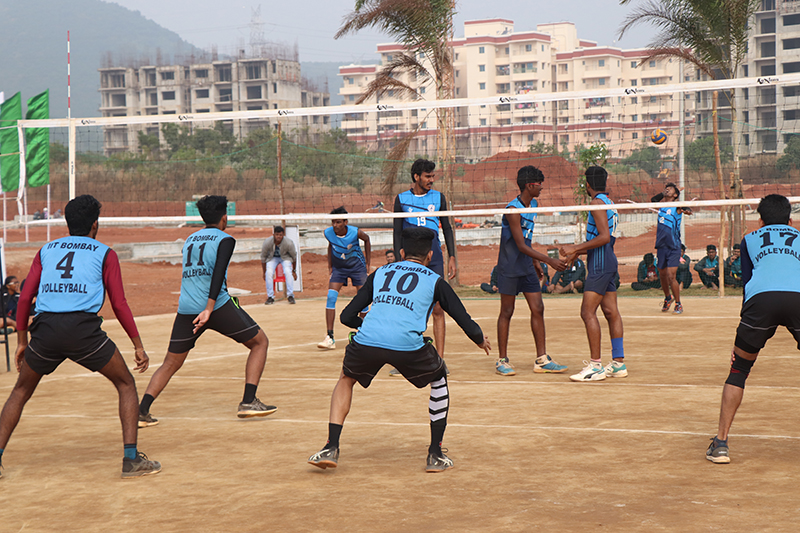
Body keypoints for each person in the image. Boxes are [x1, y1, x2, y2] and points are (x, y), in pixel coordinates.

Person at [0, 195, 161, 479]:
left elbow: (24, 299)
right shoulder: (105, 253)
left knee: (20, 391)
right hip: (82, 331)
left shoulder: (46, 250)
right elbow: (119, 303)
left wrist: (22, 342)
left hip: (45, 329)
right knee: (125, 383)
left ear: (67, 222)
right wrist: (138, 346)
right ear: (95, 224)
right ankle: (130, 459)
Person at [307, 227, 490, 472]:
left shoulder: (381, 272)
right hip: (407, 344)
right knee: (438, 379)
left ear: (401, 253)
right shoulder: (435, 280)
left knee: (346, 378)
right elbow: (462, 317)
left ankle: (331, 447)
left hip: (368, 340)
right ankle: (435, 454)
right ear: (430, 256)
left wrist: (368, 324)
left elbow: (346, 316)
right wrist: (479, 339)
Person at [138, 195, 276, 427]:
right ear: (224, 217)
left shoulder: (189, 239)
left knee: (170, 363)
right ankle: (248, 401)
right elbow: (217, 274)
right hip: (216, 306)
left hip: (186, 309)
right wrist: (209, 308)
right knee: (260, 342)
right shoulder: (226, 239)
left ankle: (142, 411)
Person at [706, 194, 800, 464]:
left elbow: (747, 284)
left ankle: (721, 444)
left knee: (739, 370)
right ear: (790, 221)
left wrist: (746, 326)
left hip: (761, 300)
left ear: (760, 221)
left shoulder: (749, 239)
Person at [494, 166, 568, 376]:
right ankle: (502, 360)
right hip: (509, 266)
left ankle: (542, 359)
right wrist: (548, 260)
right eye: (539, 184)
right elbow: (520, 244)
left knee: (538, 308)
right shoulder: (512, 210)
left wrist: (535, 262)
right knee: (507, 311)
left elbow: (527, 240)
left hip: (526, 265)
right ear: (529, 185)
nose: (542, 187)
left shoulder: (533, 204)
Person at [560, 166, 627, 382]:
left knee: (587, 312)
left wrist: (575, 247)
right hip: (608, 260)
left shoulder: (597, 203)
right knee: (611, 311)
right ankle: (618, 363)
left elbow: (604, 237)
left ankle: (596, 366)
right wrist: (577, 253)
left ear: (587, 184)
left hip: (600, 264)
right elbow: (603, 239)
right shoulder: (609, 202)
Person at [394, 159, 457, 360]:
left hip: (434, 257)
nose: (431, 180)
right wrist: (397, 259)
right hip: (410, 259)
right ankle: (404, 356)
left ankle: (439, 359)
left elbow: (447, 228)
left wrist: (452, 256)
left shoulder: (438, 198)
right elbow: (396, 232)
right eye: (427, 176)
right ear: (416, 177)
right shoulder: (401, 199)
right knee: (407, 306)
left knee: (438, 307)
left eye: (432, 176)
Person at [318, 207, 371, 350]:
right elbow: (331, 246)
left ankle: (363, 334)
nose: (335, 225)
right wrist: (330, 265)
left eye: (338, 222)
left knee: (363, 299)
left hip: (357, 267)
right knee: (331, 297)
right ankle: (330, 337)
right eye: (333, 222)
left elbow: (367, 239)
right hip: (339, 268)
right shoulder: (328, 233)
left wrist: (368, 263)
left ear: (345, 222)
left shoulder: (355, 232)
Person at [653, 183, 692, 313]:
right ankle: (667, 297)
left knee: (671, 276)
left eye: (670, 189)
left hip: (673, 246)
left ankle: (678, 303)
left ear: (675, 195)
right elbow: (653, 199)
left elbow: (687, 208)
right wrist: (664, 193)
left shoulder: (677, 206)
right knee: (662, 275)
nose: (667, 190)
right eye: (666, 188)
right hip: (661, 246)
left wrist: (687, 210)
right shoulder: (661, 206)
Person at [261, 225, 297, 305]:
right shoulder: (267, 242)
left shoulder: (288, 243)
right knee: (269, 273)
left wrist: (294, 271)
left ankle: (290, 296)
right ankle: (270, 297)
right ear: (273, 234)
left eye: (280, 235)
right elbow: (263, 257)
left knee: (288, 272)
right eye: (277, 235)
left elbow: (294, 257)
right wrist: (264, 272)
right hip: (272, 258)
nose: (278, 237)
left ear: (283, 235)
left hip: (285, 258)